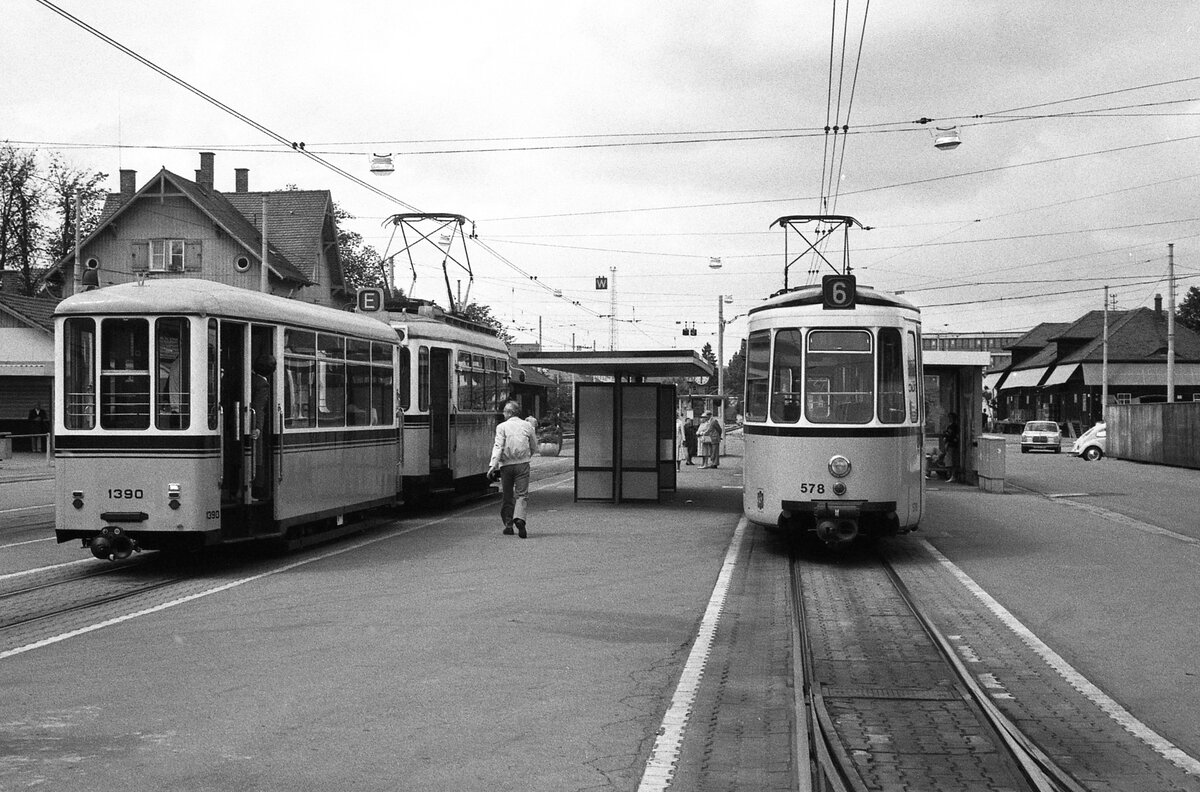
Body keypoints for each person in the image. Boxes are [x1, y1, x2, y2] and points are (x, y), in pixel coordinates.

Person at [489, 400, 538, 538]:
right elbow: (534, 444)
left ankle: (508, 525)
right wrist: (528, 456)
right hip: (522, 464)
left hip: (506, 466)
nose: (503, 413)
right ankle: (520, 519)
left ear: (510, 413)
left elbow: (498, 446)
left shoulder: (501, 427)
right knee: (522, 495)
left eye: (505, 411)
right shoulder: (527, 426)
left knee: (507, 495)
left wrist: (493, 466)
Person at [250, 354, 275, 500]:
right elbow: (259, 407)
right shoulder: (262, 384)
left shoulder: (250, 379)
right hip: (254, 425)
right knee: (258, 455)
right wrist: (258, 427)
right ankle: (256, 490)